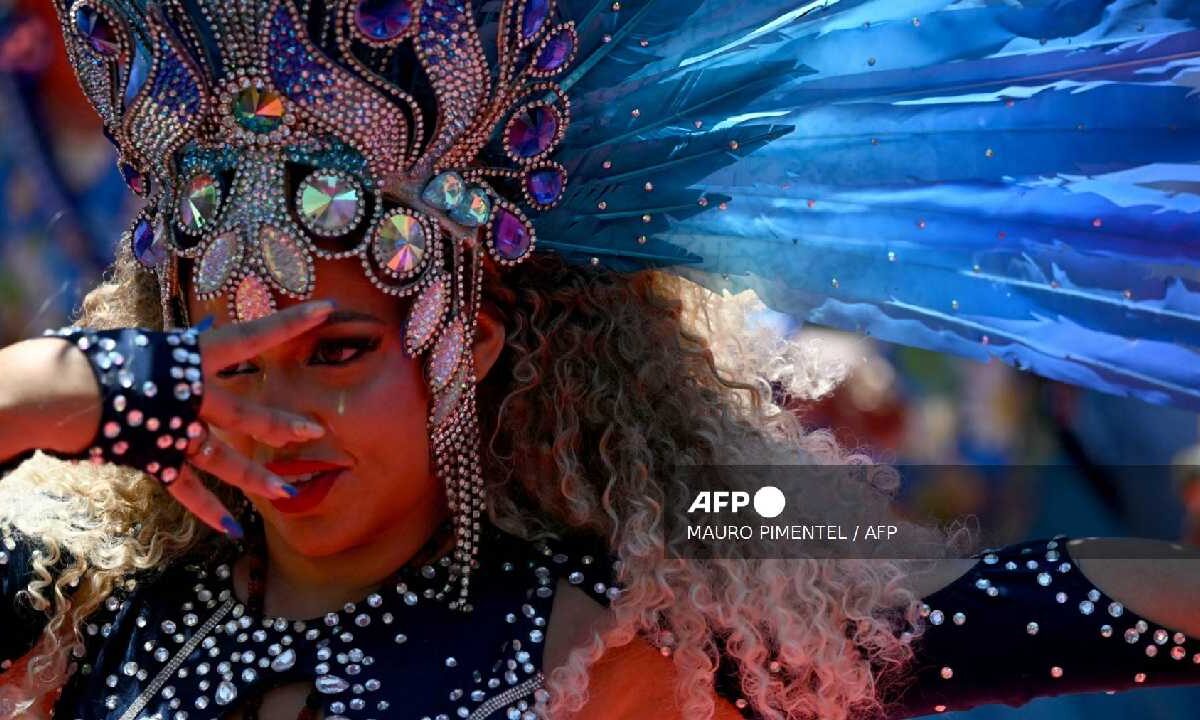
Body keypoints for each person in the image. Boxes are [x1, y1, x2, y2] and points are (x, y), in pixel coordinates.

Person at [2, 1, 1199, 719]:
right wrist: (70, 387)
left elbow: (1010, 610)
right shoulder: (80, 601)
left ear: (466, 348)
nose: (279, 418)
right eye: (226, 365)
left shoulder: (619, 626)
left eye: (340, 353)